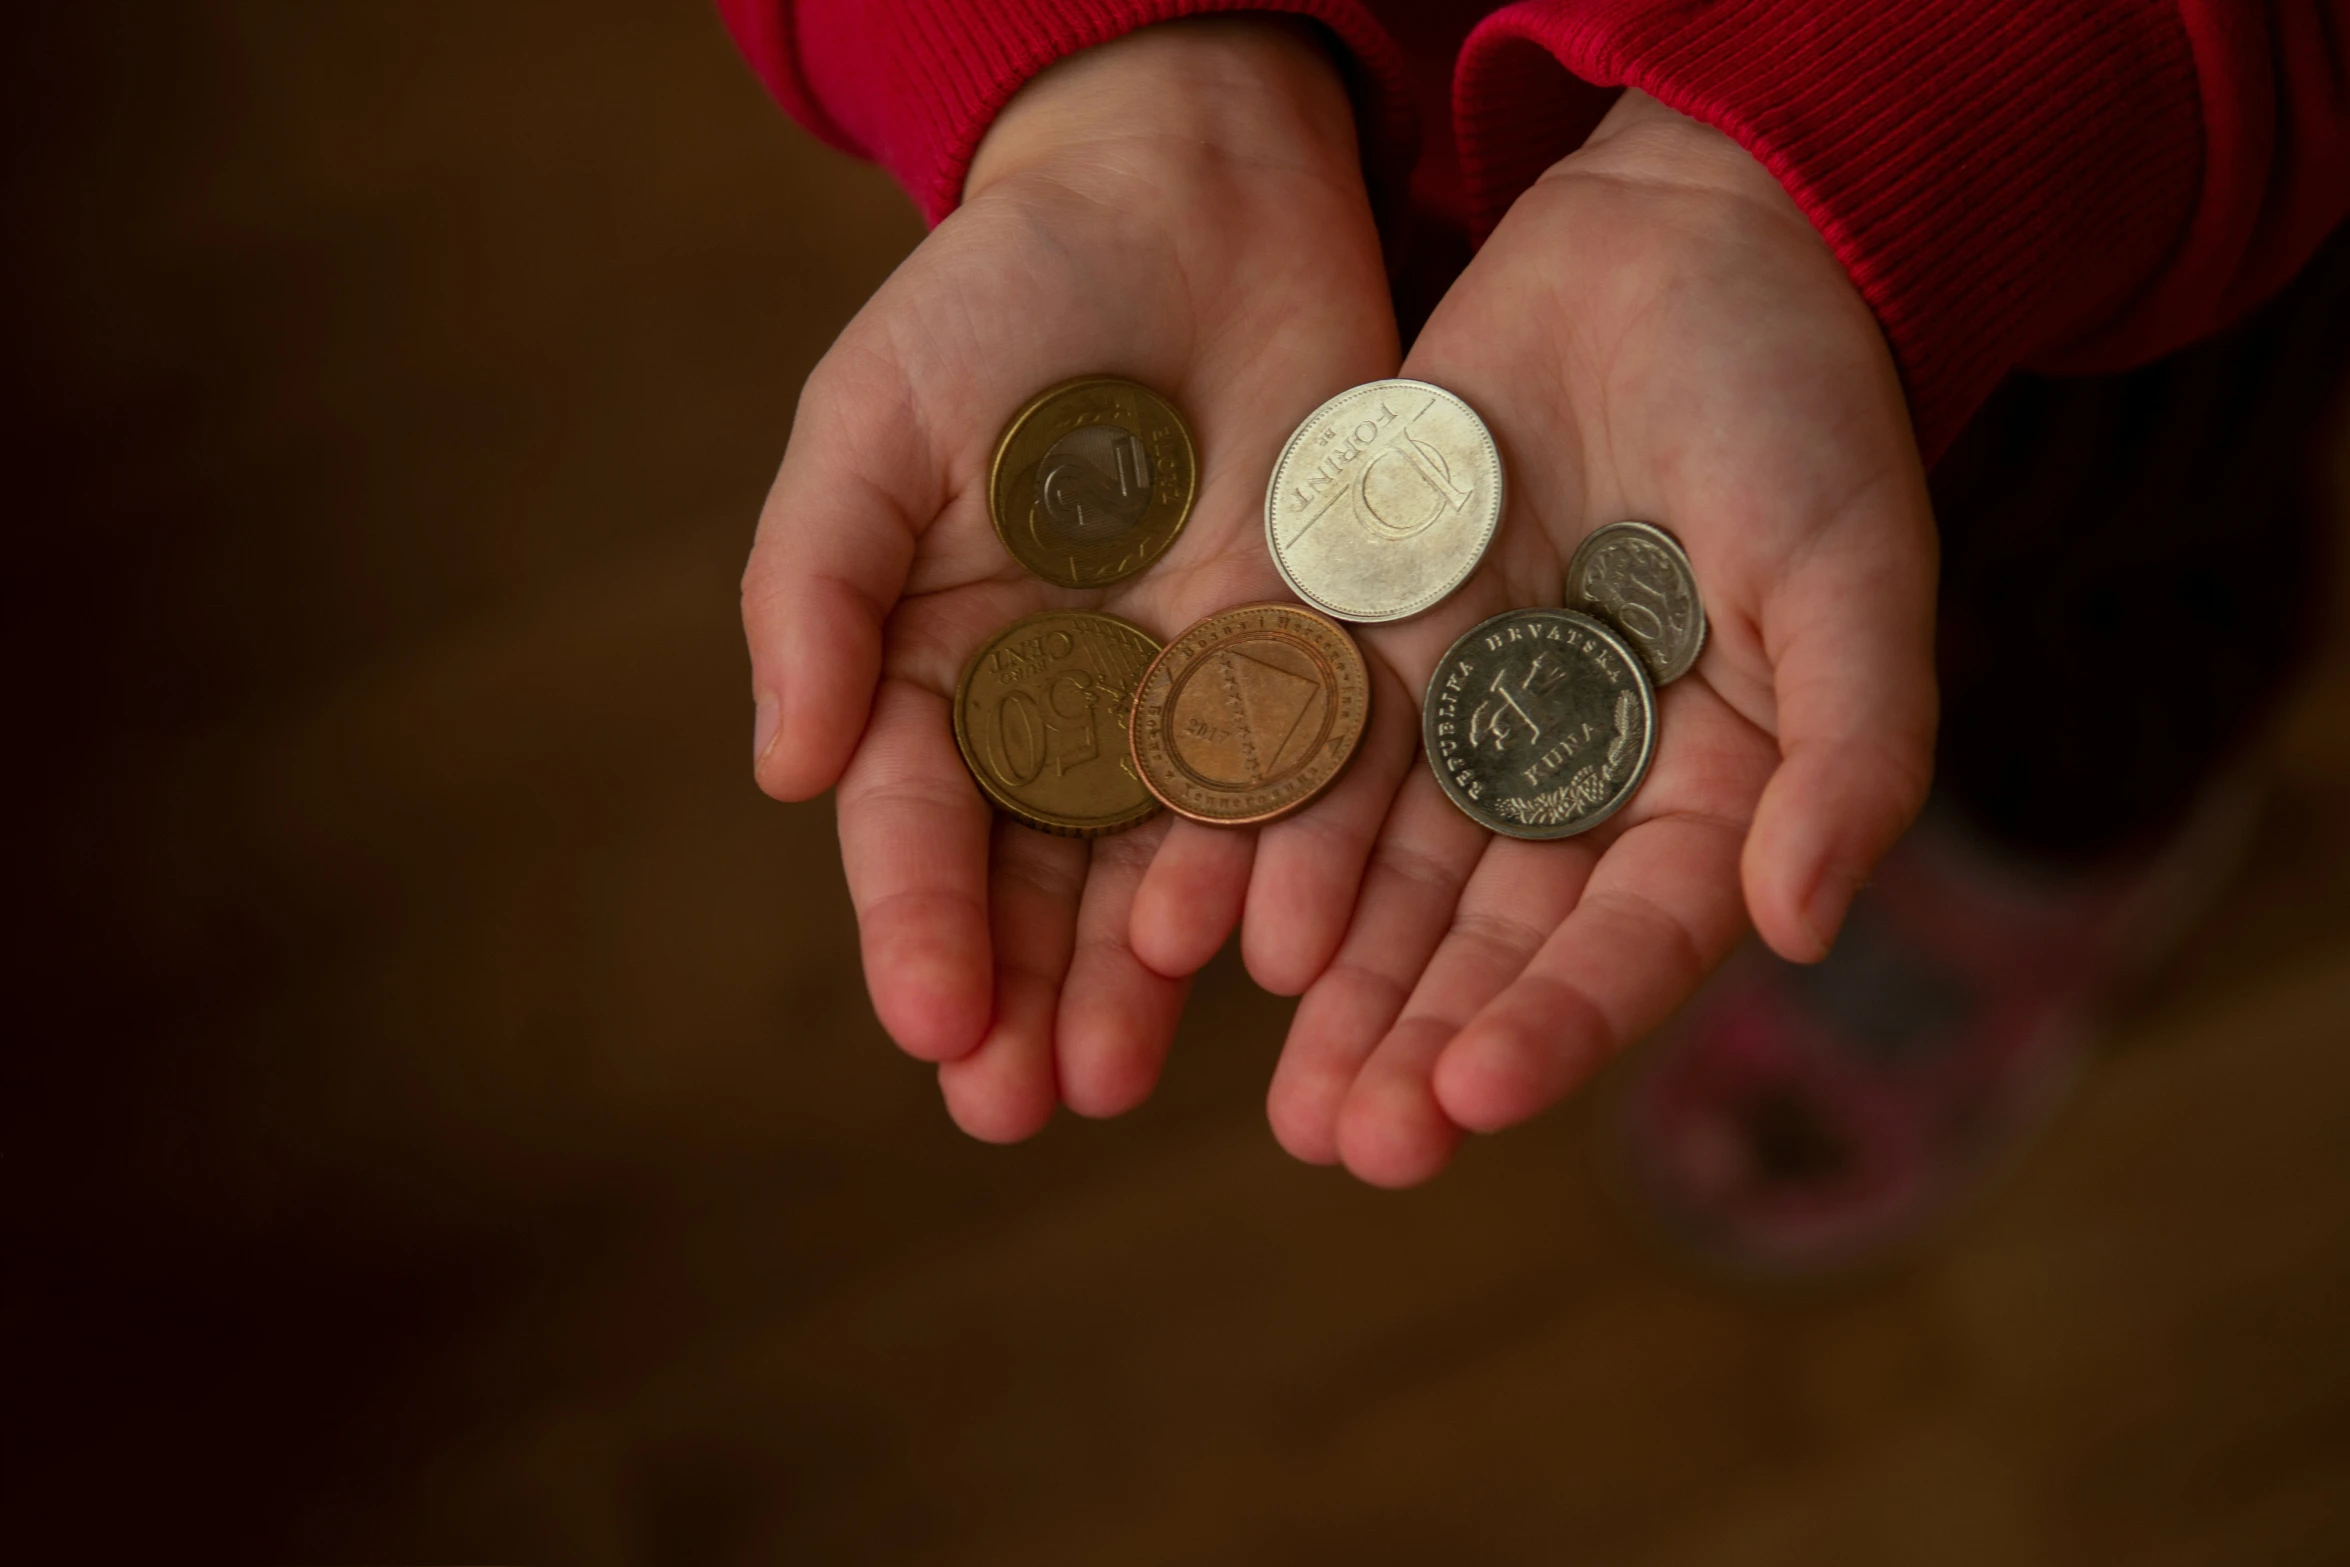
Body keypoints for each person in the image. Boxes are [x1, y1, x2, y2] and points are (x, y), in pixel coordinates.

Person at [723, 1, 2350, 1268]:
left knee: (2112, 600)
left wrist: (1855, 126)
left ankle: (2061, 834)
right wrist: (1116, 76)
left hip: (2087, 205)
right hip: (1350, 176)